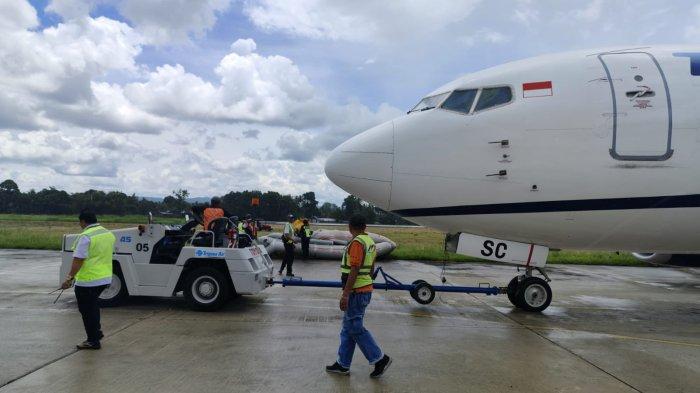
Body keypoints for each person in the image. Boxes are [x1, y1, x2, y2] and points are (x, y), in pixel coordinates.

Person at [326, 215, 391, 378]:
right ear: (364, 226)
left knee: (354, 327)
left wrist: (345, 294)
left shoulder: (356, 243)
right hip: (365, 288)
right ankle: (343, 364)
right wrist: (368, 281)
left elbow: (354, 269)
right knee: (348, 329)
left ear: (350, 227)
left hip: (356, 291)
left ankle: (379, 359)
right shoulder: (370, 242)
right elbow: (371, 266)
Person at [60, 209, 116, 350]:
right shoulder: (107, 233)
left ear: (83, 221)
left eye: (80, 222)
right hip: (104, 278)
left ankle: (92, 340)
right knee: (93, 307)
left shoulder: (86, 236)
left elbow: (78, 259)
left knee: (86, 311)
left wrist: (69, 278)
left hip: (88, 281)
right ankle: (96, 333)